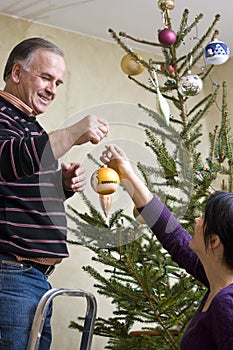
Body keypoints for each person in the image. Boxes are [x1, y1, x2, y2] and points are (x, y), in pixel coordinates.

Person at [0, 37, 109, 350]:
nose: (53, 89)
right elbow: (9, 161)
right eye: (46, 77)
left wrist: (60, 185)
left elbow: (15, 187)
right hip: (10, 275)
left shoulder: (28, 125)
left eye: (58, 82)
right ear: (17, 73)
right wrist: (74, 132)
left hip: (32, 278)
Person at [100, 144, 233, 350]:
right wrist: (127, 175)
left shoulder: (227, 303)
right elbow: (171, 233)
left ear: (214, 242)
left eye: (204, 218)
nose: (196, 220)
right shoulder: (217, 279)